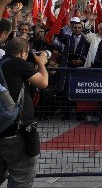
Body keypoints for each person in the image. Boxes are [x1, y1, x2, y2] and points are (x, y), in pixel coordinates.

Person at [0, 37, 49, 187]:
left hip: (2, 129)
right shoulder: (18, 63)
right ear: (22, 53)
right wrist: (41, 63)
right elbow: (43, 83)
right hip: (17, 131)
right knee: (22, 177)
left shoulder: (2, 63)